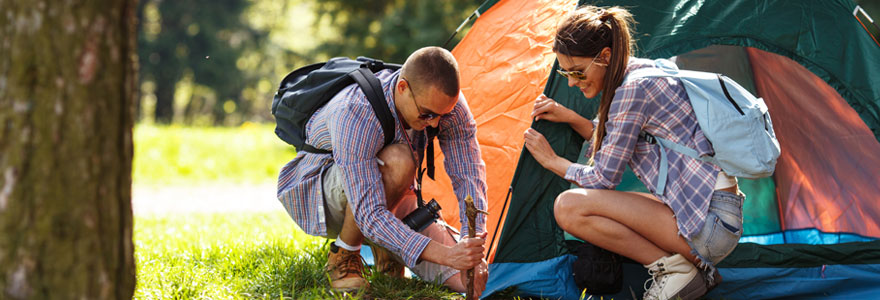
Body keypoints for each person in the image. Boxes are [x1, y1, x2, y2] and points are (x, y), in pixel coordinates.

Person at [522, 6, 743, 300]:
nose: (572, 82)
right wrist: (571, 118)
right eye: (565, 72)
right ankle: (686, 267)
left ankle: (674, 270)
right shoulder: (641, 72)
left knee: (569, 206)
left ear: (605, 57)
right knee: (591, 204)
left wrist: (553, 162)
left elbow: (603, 178)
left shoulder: (632, 91)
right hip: (715, 215)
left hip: (710, 223)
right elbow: (617, 139)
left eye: (576, 71)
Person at [277, 46, 489, 295]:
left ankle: (387, 249)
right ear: (403, 88)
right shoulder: (355, 111)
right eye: (428, 114)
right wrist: (447, 255)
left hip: (391, 195)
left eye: (443, 115)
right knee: (399, 161)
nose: (435, 123)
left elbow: (469, 175)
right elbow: (369, 214)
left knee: (473, 284)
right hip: (325, 193)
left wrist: (469, 240)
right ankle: (344, 255)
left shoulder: (445, 106)